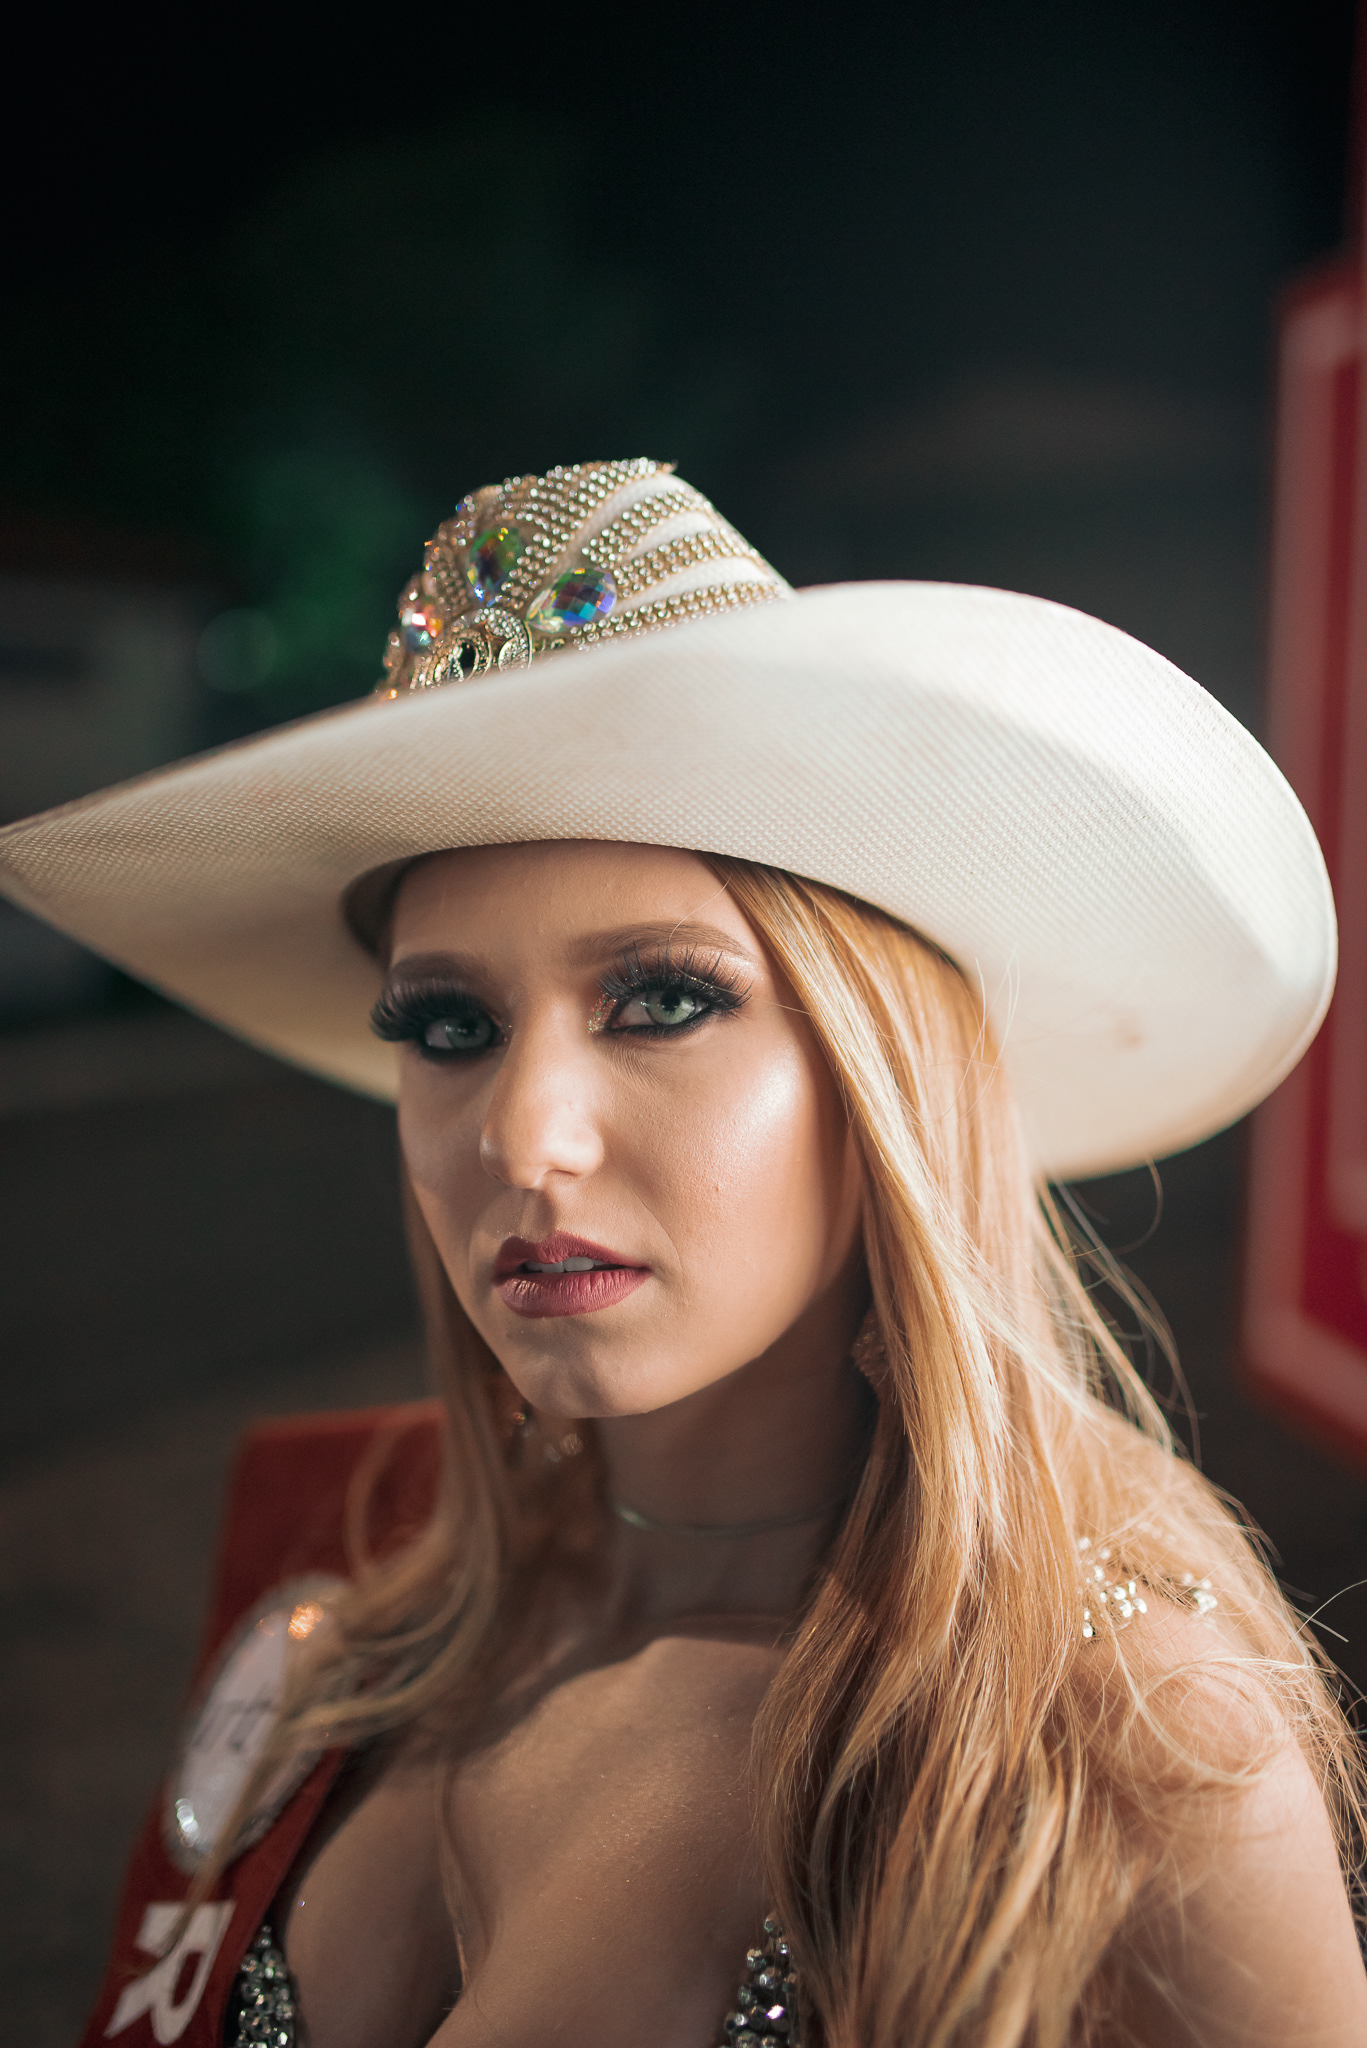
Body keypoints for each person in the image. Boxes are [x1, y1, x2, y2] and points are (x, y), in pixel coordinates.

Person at [3, 457, 1364, 2048]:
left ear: (881, 1078)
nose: (525, 1139)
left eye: (661, 1001)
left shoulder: (1127, 1750)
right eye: (449, 1027)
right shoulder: (343, 1620)